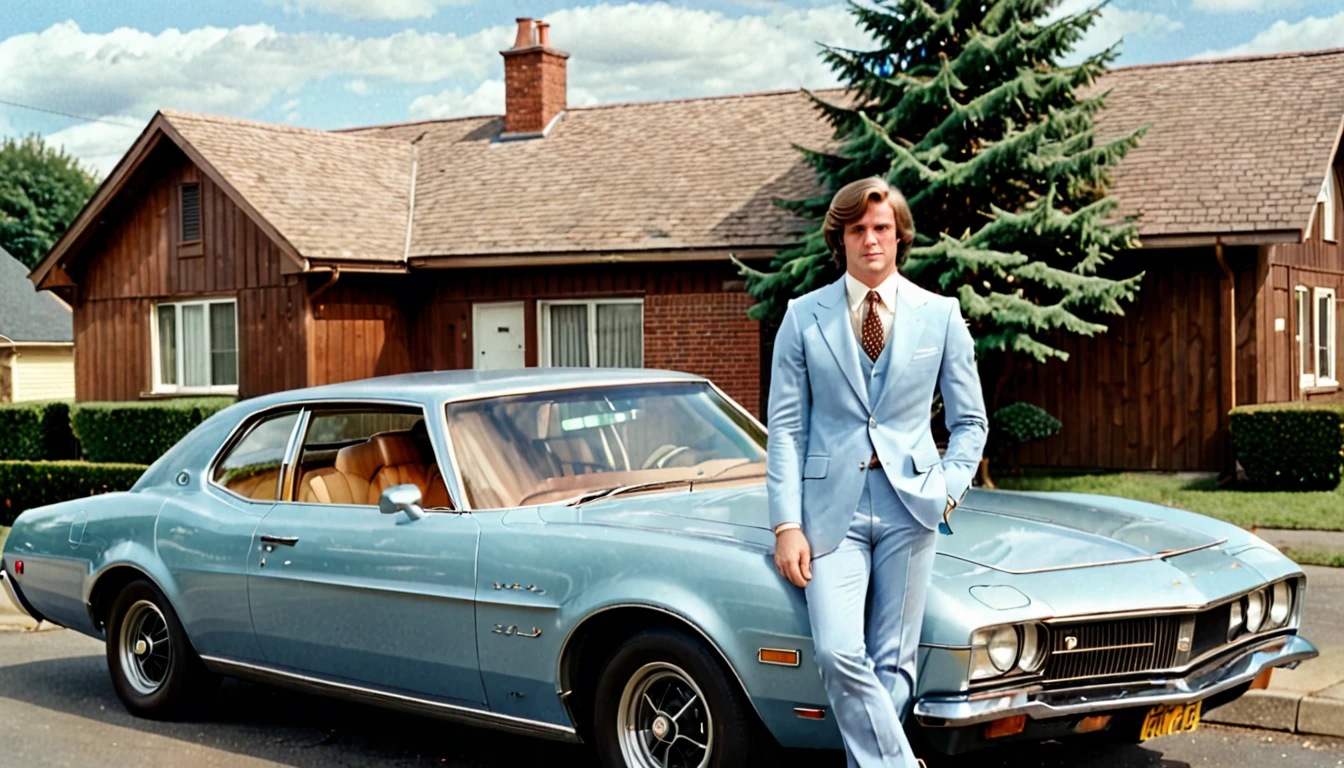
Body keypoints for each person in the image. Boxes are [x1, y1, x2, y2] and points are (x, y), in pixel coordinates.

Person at [767, 177, 987, 767]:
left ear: (899, 236)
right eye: (857, 229)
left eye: (881, 228)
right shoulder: (802, 317)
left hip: (910, 506)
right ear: (839, 239)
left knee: (893, 662)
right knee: (839, 652)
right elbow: (785, 430)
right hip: (827, 510)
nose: (870, 239)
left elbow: (971, 423)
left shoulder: (939, 316)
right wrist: (787, 524)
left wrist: (946, 491)